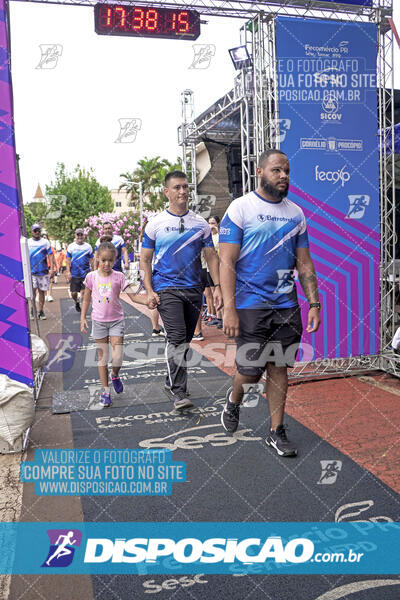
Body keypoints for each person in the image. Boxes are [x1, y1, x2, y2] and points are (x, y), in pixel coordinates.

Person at [219, 149, 321, 457]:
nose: (284, 176)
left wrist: (313, 303)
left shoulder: (296, 214)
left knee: (278, 367)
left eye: (286, 171)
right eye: (277, 170)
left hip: (286, 305)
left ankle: (276, 431)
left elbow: (304, 264)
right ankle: (234, 399)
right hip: (249, 305)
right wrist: (229, 307)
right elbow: (227, 261)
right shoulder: (240, 209)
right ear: (260, 172)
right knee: (250, 371)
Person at [140, 170, 223, 410]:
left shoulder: (200, 224)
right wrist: (149, 290)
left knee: (185, 341)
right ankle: (180, 393)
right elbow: (145, 259)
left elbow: (211, 256)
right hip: (167, 288)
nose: (183, 191)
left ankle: (171, 379)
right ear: (166, 192)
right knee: (176, 338)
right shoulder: (155, 223)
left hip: (194, 288)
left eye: (185, 187)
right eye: (177, 187)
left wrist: (217, 287)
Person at [80, 239, 156, 407]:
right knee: (102, 357)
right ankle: (105, 391)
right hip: (99, 322)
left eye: (110, 260)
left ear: (115, 260)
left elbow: (134, 296)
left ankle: (115, 374)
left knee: (118, 356)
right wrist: (83, 317)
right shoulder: (91, 277)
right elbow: (86, 298)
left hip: (116, 321)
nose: (107, 264)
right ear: (97, 258)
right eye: (103, 260)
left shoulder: (119, 277)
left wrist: (147, 302)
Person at [28, 223, 56, 320]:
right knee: (33, 291)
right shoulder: (28, 242)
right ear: (31, 231)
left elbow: (50, 255)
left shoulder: (45, 242)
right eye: (35, 231)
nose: (37, 232)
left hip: (43, 271)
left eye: (38, 231)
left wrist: (52, 269)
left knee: (42, 292)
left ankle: (41, 311)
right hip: (31, 272)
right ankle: (33, 309)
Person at [66, 228, 94, 312]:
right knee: (74, 293)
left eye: (81, 234)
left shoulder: (88, 247)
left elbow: (92, 260)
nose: (80, 236)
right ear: (75, 236)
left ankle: (83, 309)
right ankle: (76, 302)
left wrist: (93, 270)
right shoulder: (71, 246)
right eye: (78, 235)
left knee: (83, 293)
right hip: (74, 273)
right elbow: (67, 260)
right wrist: (68, 271)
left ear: (84, 235)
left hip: (85, 273)